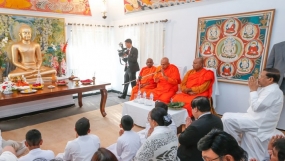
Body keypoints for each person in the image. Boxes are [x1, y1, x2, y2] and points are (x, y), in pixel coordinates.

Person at [222, 68, 284, 160]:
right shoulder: (268, 89)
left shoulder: (273, 91)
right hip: (254, 118)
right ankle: (236, 143)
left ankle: (234, 146)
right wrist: (254, 90)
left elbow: (255, 106)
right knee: (226, 116)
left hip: (260, 124)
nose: (258, 78)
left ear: (270, 79)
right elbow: (252, 105)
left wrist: (252, 90)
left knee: (226, 119)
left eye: (261, 76)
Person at [177, 96, 223, 161]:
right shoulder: (218, 119)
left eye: (191, 109)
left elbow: (182, 140)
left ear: (195, 109)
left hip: (195, 156)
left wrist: (187, 128)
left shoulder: (194, 126)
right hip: (214, 152)